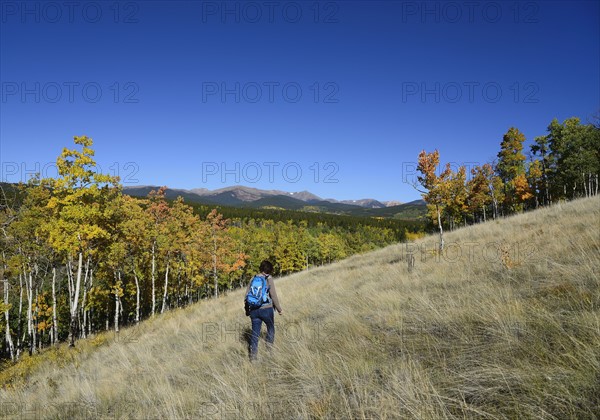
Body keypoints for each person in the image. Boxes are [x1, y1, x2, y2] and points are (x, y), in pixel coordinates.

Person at [245, 260, 282, 361]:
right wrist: (279, 309)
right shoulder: (268, 278)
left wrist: (247, 310)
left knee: (255, 333)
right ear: (269, 270)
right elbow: (273, 295)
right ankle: (269, 350)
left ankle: (253, 357)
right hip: (266, 309)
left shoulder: (253, 278)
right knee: (270, 328)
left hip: (253, 310)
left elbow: (247, 295)